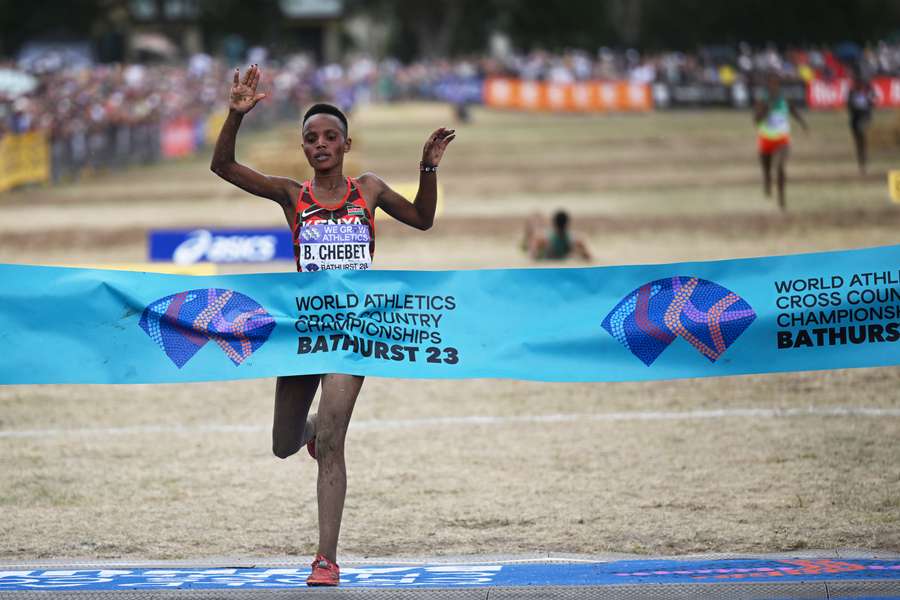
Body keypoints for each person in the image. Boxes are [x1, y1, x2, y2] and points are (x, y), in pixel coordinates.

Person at [210, 64, 455, 587]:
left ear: (346, 144)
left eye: (329, 137)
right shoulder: (290, 195)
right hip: (302, 336)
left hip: (352, 336)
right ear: (304, 148)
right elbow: (224, 165)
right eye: (311, 139)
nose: (320, 145)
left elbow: (422, 219)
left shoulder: (367, 191)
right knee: (282, 443)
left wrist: (427, 169)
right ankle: (311, 434)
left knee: (337, 441)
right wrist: (235, 115)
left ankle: (326, 559)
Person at [753, 72, 808, 210]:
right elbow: (756, 121)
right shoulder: (762, 100)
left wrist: (803, 123)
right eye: (770, 83)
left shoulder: (784, 99)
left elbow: (793, 111)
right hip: (766, 139)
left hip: (782, 139)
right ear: (767, 85)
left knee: (780, 167)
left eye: (775, 83)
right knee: (767, 170)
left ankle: (782, 198)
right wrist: (765, 110)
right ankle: (767, 182)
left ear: (778, 85)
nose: (773, 86)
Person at [523, 210, 591, 261]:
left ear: (553, 223)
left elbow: (531, 256)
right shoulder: (576, 240)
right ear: (568, 223)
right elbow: (588, 257)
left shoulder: (543, 239)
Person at [847, 71, 877, 175]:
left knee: (862, 137)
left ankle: (864, 163)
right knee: (859, 144)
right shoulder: (852, 92)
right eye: (857, 82)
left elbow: (874, 102)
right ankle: (862, 164)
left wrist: (869, 101)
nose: (858, 84)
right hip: (855, 119)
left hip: (865, 117)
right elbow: (849, 105)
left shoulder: (868, 91)